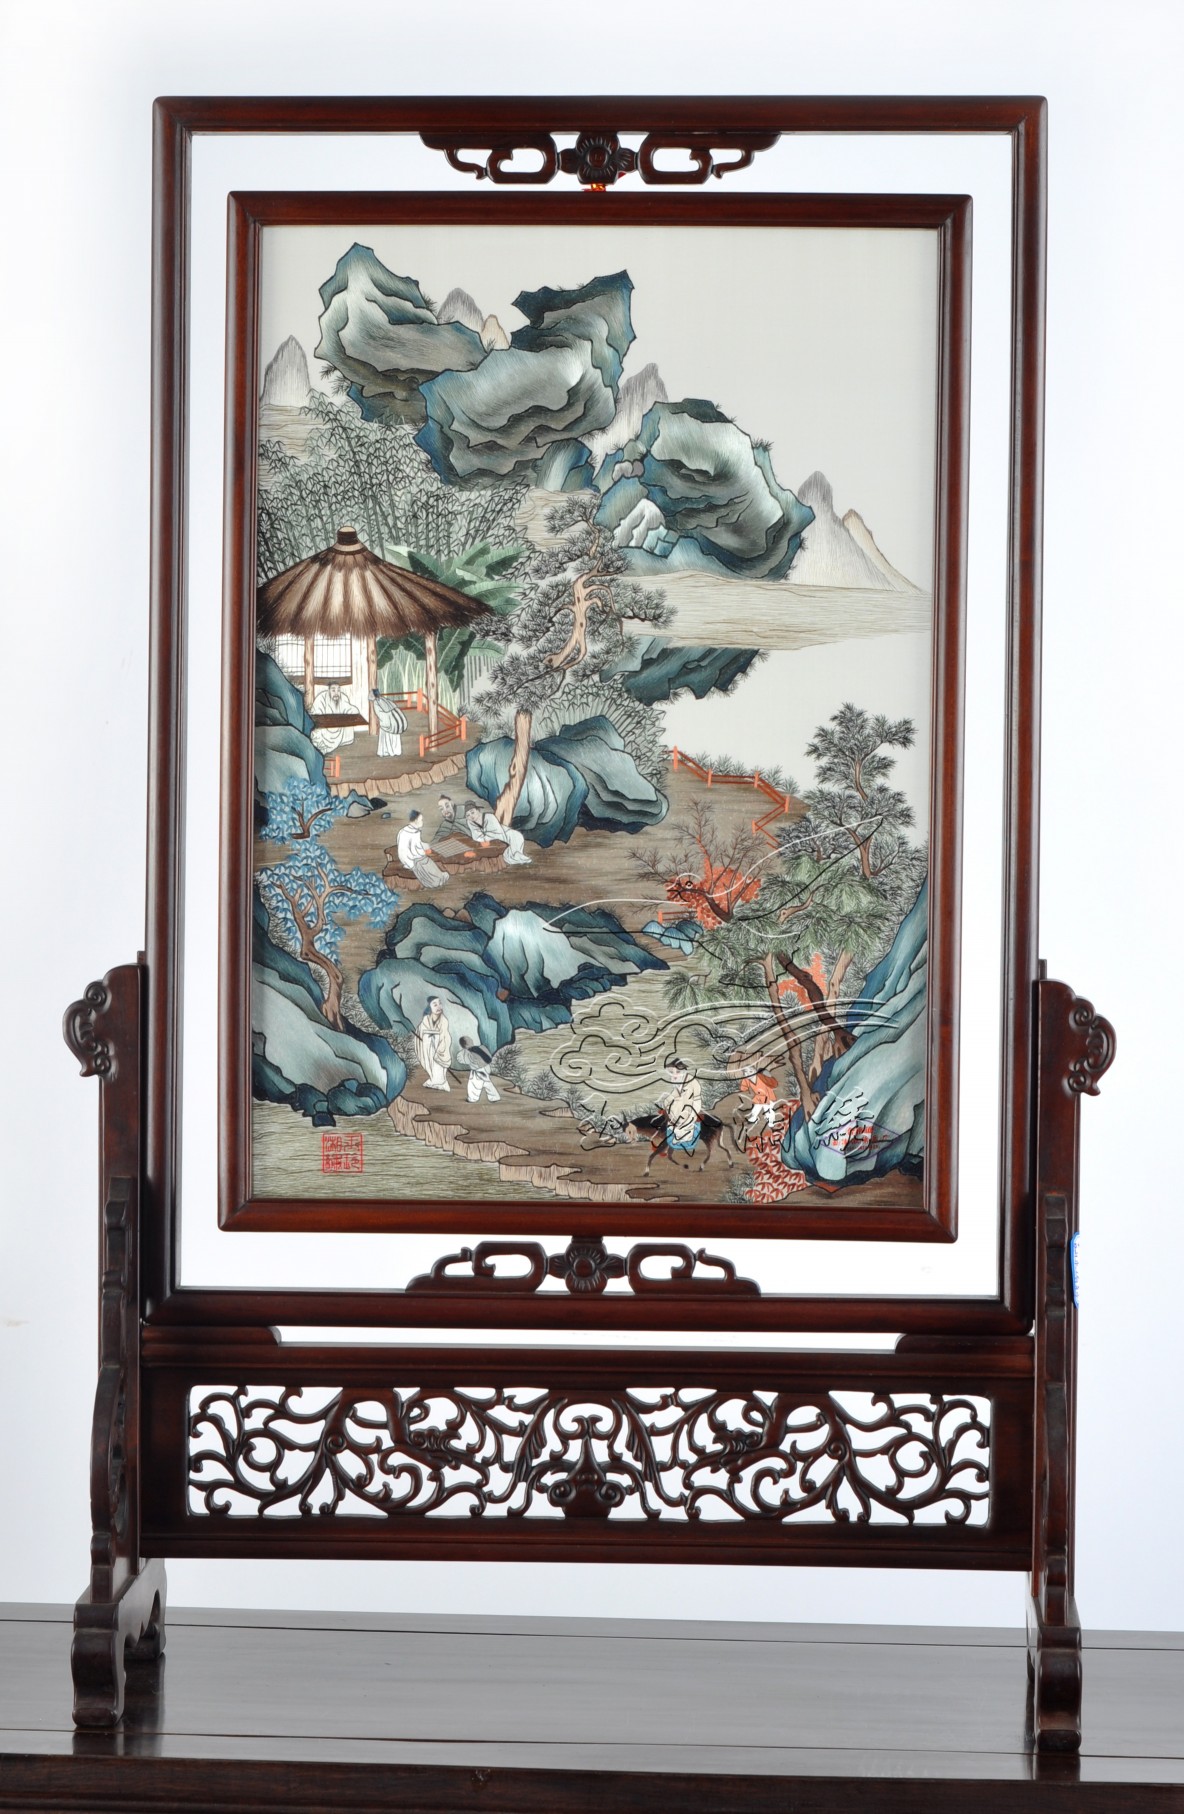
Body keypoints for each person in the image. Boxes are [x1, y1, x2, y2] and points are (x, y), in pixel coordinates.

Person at [659, 1055, 703, 1160]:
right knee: (671, 1110)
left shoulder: (690, 1082)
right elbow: (673, 1095)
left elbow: (689, 1103)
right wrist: (666, 1103)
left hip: (692, 1108)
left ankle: (681, 1138)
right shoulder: (679, 1082)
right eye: (672, 1072)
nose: (674, 1075)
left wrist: (683, 1117)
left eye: (677, 1072)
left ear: (683, 1072)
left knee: (682, 1123)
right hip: (683, 1106)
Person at [464, 801, 532, 865]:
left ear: (478, 810)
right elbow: (477, 836)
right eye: (468, 815)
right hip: (493, 839)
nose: (471, 816)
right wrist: (485, 838)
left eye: (472, 812)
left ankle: (517, 856)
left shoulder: (489, 817)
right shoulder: (470, 822)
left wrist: (485, 837)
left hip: (505, 833)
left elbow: (497, 832)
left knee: (516, 838)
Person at [395, 809, 449, 888]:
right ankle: (438, 878)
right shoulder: (411, 833)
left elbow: (417, 845)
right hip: (413, 861)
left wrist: (425, 846)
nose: (422, 822)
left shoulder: (407, 831)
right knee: (427, 862)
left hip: (411, 859)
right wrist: (424, 852)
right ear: (416, 820)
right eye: (421, 820)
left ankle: (439, 877)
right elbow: (415, 850)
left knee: (427, 861)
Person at [414, 997, 453, 1090]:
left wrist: (440, 1047)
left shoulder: (444, 1020)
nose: (439, 1006)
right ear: (429, 1007)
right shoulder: (426, 1019)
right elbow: (421, 1032)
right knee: (430, 1064)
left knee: (438, 1067)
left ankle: (440, 1082)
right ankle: (434, 1081)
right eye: (435, 1005)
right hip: (428, 1048)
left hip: (440, 1047)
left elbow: (445, 1036)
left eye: (440, 1003)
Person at [310, 682, 356, 755]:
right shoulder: (321, 698)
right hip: (324, 727)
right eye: (333, 690)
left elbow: (349, 708)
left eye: (338, 690)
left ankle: (343, 741)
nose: (336, 693)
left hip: (338, 727)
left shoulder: (343, 697)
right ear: (328, 690)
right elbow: (316, 715)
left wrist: (351, 712)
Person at [738, 1064, 782, 1135]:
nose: (748, 1073)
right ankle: (754, 1119)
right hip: (759, 1098)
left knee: (768, 1111)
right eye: (746, 1072)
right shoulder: (746, 1080)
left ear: (755, 1071)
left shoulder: (761, 1077)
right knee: (755, 1110)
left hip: (768, 1097)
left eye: (751, 1071)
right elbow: (743, 1088)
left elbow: (773, 1083)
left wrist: (768, 1076)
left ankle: (771, 1124)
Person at [458, 1035, 501, 1103]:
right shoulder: (481, 1047)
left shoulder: (467, 1053)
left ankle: (473, 1098)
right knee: (487, 1082)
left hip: (478, 1070)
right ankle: (494, 1097)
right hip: (486, 1068)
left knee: (474, 1084)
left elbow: (461, 1059)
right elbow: (489, 1057)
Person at [371, 689, 406, 758]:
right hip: (394, 721)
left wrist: (385, 720)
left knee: (385, 735)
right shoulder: (384, 699)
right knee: (393, 736)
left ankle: (385, 751)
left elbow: (379, 713)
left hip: (387, 722)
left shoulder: (376, 702)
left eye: (371, 694)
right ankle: (396, 750)